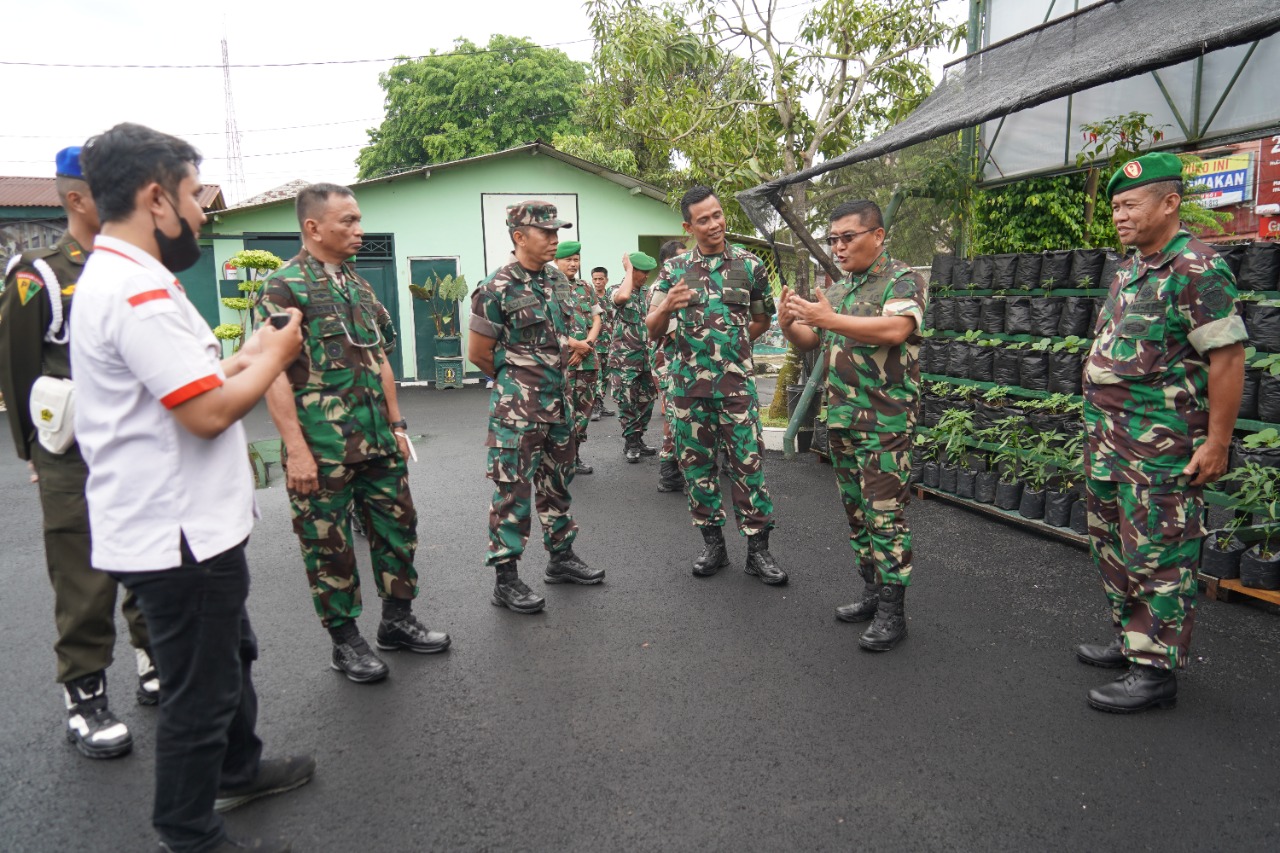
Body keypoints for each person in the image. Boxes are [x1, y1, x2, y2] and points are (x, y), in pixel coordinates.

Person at [73, 122, 314, 853]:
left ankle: (240, 767)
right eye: (193, 196)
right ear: (155, 197)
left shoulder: (128, 276)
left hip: (188, 527)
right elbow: (208, 413)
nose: (204, 213)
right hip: (178, 540)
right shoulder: (136, 289)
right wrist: (274, 357)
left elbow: (195, 383)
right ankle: (189, 830)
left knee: (229, 656)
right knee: (198, 694)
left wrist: (248, 354)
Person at [256, 183, 449, 684]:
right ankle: (346, 642)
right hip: (322, 448)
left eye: (359, 220)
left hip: (377, 440)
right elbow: (272, 372)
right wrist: (295, 451)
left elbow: (379, 358)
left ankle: (397, 621)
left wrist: (398, 423)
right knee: (329, 544)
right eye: (347, 221)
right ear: (313, 227)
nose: (358, 230)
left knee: (397, 528)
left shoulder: (358, 287)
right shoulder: (283, 288)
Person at [0, 146, 157, 759]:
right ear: (76, 199)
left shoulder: (139, 264)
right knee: (85, 575)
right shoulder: (37, 273)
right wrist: (34, 452)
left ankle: (153, 661)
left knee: (150, 559)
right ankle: (85, 695)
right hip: (74, 451)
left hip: (138, 445)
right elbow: (15, 370)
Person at [1078, 151, 1247, 713]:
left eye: (1130, 204)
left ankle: (1155, 673)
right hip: (1108, 440)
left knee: (1159, 551)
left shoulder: (1198, 268)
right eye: (1116, 207)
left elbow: (1225, 359)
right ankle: (1133, 640)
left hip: (1161, 446)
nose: (1120, 216)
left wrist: (1217, 441)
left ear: (1169, 203)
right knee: (1112, 543)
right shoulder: (1132, 266)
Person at [779, 200, 926, 651]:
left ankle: (892, 612)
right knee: (856, 514)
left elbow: (895, 330)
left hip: (884, 421)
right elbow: (816, 341)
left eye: (848, 237)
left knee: (885, 517)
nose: (838, 247)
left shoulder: (902, 280)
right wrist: (791, 325)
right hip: (841, 419)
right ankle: (870, 592)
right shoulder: (841, 289)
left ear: (877, 236)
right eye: (833, 239)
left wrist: (826, 317)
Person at [468, 201, 605, 614]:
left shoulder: (554, 281)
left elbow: (553, 335)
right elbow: (478, 353)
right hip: (518, 411)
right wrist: (518, 380)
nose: (554, 239)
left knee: (557, 486)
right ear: (519, 236)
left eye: (556, 231)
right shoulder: (496, 287)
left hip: (559, 402)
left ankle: (561, 559)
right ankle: (506, 580)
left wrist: (567, 350)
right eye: (546, 232)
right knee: (513, 492)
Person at [647, 186, 785, 585]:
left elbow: (761, 319)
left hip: (737, 389)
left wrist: (734, 348)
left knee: (749, 468)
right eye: (703, 219)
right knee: (698, 471)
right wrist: (667, 307)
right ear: (688, 227)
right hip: (689, 391)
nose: (715, 224)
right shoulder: (673, 271)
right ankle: (713, 545)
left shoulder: (750, 265)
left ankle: (758, 552)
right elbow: (652, 329)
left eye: (718, 214)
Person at [554, 240, 603, 474]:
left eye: (576, 259)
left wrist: (588, 345)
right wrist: (574, 345)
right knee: (562, 413)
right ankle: (559, 459)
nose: (573, 263)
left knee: (583, 413)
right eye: (568, 260)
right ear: (556, 261)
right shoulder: (547, 288)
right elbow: (547, 325)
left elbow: (597, 320)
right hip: (562, 362)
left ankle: (575, 458)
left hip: (587, 361)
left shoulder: (586, 287)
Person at [609, 252, 659, 462]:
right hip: (625, 361)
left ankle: (638, 439)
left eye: (648, 272)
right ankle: (630, 443)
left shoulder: (648, 294)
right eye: (642, 272)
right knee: (627, 403)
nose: (645, 276)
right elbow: (622, 298)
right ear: (632, 270)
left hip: (647, 360)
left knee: (646, 402)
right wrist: (628, 270)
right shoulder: (615, 291)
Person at [650, 239, 690, 493]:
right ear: (668, 262)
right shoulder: (662, 287)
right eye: (680, 258)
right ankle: (670, 470)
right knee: (675, 414)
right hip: (669, 360)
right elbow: (671, 330)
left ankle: (674, 469)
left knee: (680, 414)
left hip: (682, 360)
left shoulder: (683, 285)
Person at [590, 266, 616, 421]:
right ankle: (595, 406)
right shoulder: (589, 297)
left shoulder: (611, 298)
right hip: (596, 344)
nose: (598, 282)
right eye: (595, 279)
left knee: (605, 377)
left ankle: (601, 404)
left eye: (601, 279)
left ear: (606, 280)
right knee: (597, 377)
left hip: (610, 344)